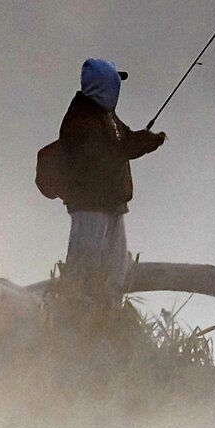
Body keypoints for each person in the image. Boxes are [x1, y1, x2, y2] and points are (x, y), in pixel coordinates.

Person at [56, 57, 165, 298]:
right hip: (90, 204)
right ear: (104, 85)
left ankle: (108, 313)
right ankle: (77, 312)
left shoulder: (106, 115)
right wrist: (140, 144)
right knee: (84, 266)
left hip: (111, 203)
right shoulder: (81, 117)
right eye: (115, 81)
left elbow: (122, 143)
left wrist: (147, 141)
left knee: (116, 267)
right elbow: (106, 153)